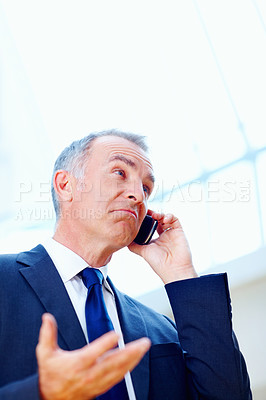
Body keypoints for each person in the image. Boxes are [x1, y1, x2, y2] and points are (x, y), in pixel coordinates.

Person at [0, 130, 252, 400]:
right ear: (65, 185)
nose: (138, 196)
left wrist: (182, 277)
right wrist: (40, 392)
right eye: (119, 173)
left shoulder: (161, 330)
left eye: (146, 188)